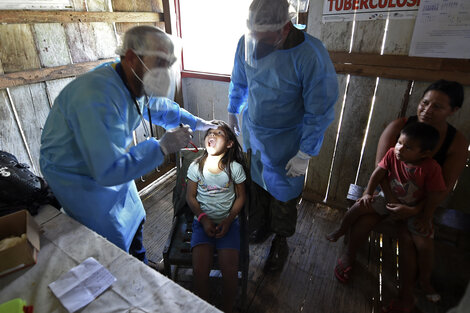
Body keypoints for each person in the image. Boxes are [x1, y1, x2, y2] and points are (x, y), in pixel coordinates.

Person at [40, 25, 216, 265]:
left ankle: (140, 261)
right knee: (109, 237)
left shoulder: (133, 79)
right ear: (132, 57)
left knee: (134, 214)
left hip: (111, 163)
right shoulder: (95, 97)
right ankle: (126, 271)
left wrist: (197, 123)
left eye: (169, 64)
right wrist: (162, 147)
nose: (165, 72)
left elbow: (161, 108)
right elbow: (106, 171)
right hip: (78, 176)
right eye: (160, 63)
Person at [334, 80, 468, 312]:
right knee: (365, 218)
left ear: (453, 111)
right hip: (389, 192)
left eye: (437, 107)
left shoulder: (455, 142)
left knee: (411, 239)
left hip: (424, 203)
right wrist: (392, 201)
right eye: (424, 103)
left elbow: (444, 187)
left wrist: (417, 211)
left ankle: (410, 292)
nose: (427, 110)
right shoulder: (400, 127)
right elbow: (381, 169)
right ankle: (348, 255)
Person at [227, 0, 338, 273]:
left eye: (264, 38)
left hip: (288, 142)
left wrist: (305, 153)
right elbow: (240, 81)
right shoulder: (247, 41)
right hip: (255, 134)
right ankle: (261, 226)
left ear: (285, 28)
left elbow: (320, 109)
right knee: (257, 186)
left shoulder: (310, 55)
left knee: (284, 197)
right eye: (253, 35)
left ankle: (281, 241)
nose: (257, 43)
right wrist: (233, 110)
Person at [327, 122, 446, 285]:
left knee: (425, 246)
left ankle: (425, 280)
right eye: (399, 143)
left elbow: (434, 195)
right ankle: (341, 230)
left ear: (424, 154)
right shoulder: (392, 154)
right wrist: (368, 193)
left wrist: (425, 217)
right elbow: (378, 174)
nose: (400, 149)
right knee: (359, 207)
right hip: (387, 198)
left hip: (415, 209)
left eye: (408, 148)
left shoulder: (431, 168)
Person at [186, 121, 246, 313]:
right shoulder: (196, 166)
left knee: (230, 274)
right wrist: (203, 219)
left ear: (229, 144)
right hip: (201, 224)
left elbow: (241, 197)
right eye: (209, 132)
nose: (212, 134)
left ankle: (226, 308)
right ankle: (203, 308)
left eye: (219, 133)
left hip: (228, 226)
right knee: (199, 273)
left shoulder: (234, 168)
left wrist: (228, 221)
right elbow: (190, 197)